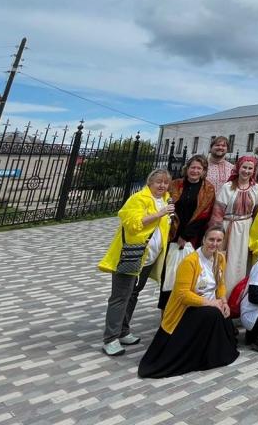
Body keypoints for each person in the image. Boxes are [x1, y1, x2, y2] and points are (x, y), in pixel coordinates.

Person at [137, 225, 238, 378]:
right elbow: (182, 295)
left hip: (210, 307)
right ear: (203, 240)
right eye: (211, 239)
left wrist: (223, 302)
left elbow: (221, 283)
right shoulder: (189, 262)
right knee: (213, 314)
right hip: (186, 310)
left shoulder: (220, 258)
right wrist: (212, 303)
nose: (214, 244)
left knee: (224, 319)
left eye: (219, 240)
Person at [98, 168, 173, 356]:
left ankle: (123, 331)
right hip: (131, 255)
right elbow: (132, 224)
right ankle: (110, 338)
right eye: (158, 182)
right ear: (150, 183)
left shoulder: (165, 199)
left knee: (133, 294)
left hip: (148, 258)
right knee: (120, 296)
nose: (162, 186)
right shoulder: (138, 199)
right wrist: (160, 213)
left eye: (165, 182)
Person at [159, 154, 217, 309]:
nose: (195, 171)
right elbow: (166, 203)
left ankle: (187, 309)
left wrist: (185, 236)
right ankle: (167, 311)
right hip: (171, 234)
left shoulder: (208, 189)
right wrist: (176, 234)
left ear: (204, 171)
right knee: (170, 275)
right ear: (187, 168)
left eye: (199, 168)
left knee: (190, 274)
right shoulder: (175, 185)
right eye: (193, 167)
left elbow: (205, 214)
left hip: (193, 238)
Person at [210, 154, 258, 295]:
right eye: (244, 167)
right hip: (228, 228)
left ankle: (238, 297)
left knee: (242, 263)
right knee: (226, 263)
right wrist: (217, 233)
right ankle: (222, 295)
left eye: (250, 168)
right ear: (238, 168)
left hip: (246, 229)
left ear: (254, 171)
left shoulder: (256, 189)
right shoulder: (228, 187)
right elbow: (217, 213)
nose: (246, 171)